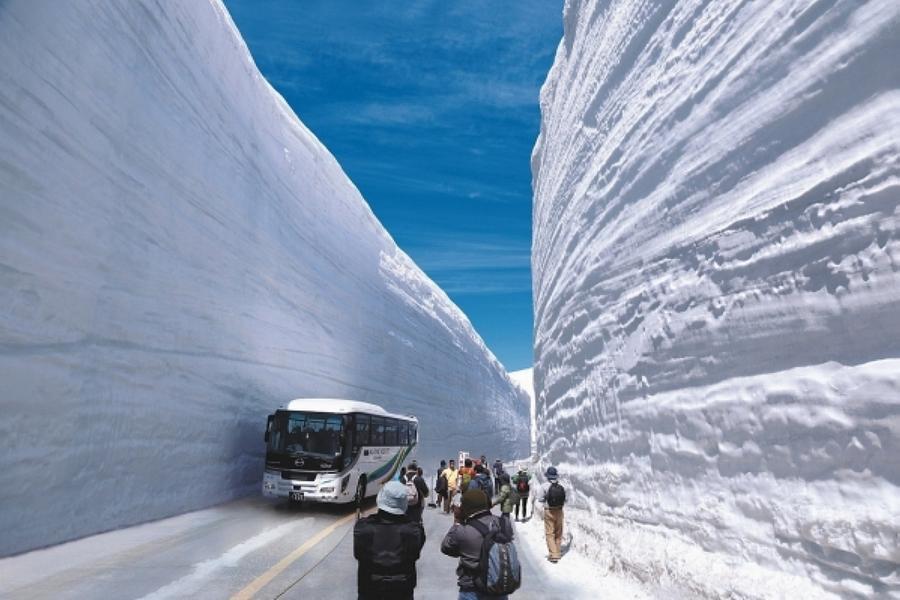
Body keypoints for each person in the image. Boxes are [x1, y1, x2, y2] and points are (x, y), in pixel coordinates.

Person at [354, 480, 426, 599]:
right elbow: (415, 553)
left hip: (370, 590)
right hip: (402, 591)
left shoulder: (362, 527)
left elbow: (358, 554)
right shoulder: (414, 530)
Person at [441, 489, 508, 600]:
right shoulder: (501, 523)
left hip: (472, 589)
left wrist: (457, 521)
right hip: (499, 587)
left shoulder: (463, 530)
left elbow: (446, 547)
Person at [538, 466, 566, 563]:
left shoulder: (544, 486)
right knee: (559, 532)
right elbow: (565, 499)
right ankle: (557, 552)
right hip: (559, 511)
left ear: (548, 476)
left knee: (550, 533)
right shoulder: (561, 486)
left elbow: (540, 499)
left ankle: (553, 555)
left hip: (549, 511)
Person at [492, 472, 518, 537]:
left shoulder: (504, 487)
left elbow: (501, 497)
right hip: (509, 504)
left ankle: (507, 532)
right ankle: (508, 531)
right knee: (506, 518)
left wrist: (494, 503)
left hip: (506, 506)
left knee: (505, 519)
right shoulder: (509, 485)